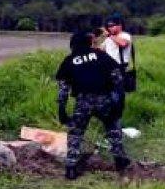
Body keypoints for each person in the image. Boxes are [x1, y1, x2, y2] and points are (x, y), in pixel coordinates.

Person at [56, 30, 130, 179]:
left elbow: (63, 88)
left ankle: (71, 167)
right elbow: (118, 79)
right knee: (113, 127)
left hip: (83, 101)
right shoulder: (101, 55)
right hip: (104, 99)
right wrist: (119, 102)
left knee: (76, 133)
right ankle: (120, 159)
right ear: (88, 42)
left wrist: (62, 109)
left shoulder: (69, 60)